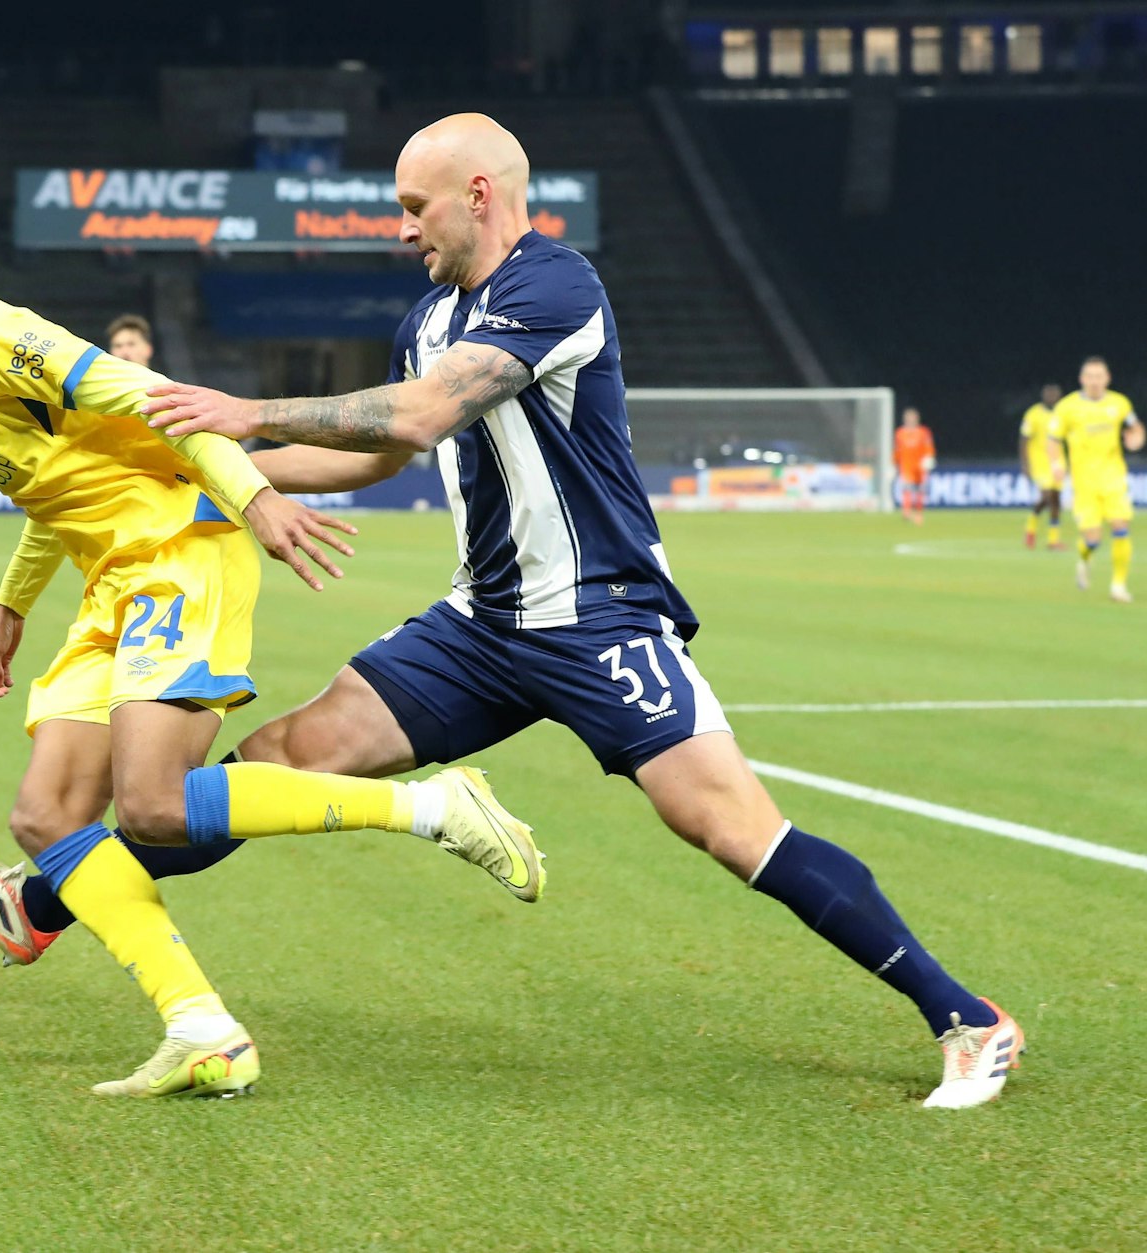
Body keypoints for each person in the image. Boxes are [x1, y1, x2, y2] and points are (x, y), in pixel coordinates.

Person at [107, 113, 1016, 1110]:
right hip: (478, 628)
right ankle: (42, 899)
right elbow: (380, 454)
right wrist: (222, 473)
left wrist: (245, 412)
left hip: (599, 618)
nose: (402, 229)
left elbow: (419, 413)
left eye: (414, 207)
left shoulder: (554, 285)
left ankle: (968, 1017)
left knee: (728, 826)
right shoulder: (427, 321)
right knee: (279, 756)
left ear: (478, 196)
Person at [0, 206, 541, 1098]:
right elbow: (61, 486)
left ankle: (434, 807)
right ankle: (201, 1028)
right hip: (113, 578)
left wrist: (253, 497)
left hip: (179, 551)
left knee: (153, 804)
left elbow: (154, 397)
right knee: (47, 816)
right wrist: (10, 606)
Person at [1050, 356, 1143, 603]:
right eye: (1090, 376)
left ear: (1107, 379)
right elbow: (1053, 439)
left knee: (1121, 527)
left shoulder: (1119, 404)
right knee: (1093, 538)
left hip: (1113, 477)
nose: (1094, 381)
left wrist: (1137, 439)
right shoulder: (1067, 407)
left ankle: (1118, 586)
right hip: (1084, 483)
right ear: (1082, 379)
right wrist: (1056, 464)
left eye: (1099, 376)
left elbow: (1135, 427)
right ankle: (1084, 558)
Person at [1020, 384, 1064, 550]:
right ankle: (1031, 527)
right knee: (1047, 496)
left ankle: (1053, 540)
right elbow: (1024, 440)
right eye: (1049, 395)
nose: (1052, 397)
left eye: (1055, 395)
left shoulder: (1062, 413)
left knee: (1056, 500)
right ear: (1043, 396)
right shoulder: (1033, 414)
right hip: (1039, 462)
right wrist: (1025, 464)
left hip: (1058, 461)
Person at [893, 407, 936, 525]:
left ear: (917, 419)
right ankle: (906, 512)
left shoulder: (924, 432)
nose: (910, 420)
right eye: (908, 418)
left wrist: (929, 458)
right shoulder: (900, 433)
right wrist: (894, 463)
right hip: (906, 465)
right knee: (907, 489)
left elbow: (929, 447)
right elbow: (897, 450)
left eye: (912, 418)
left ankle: (918, 514)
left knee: (920, 491)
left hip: (920, 467)